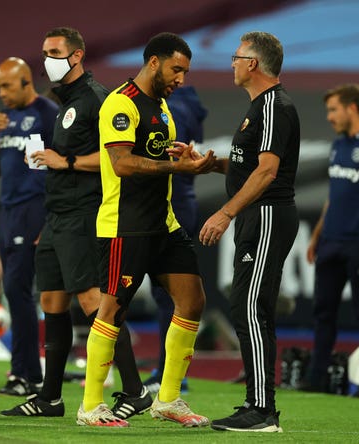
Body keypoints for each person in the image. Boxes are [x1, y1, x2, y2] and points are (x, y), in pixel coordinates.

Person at [0, 27, 146, 419]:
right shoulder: (64, 101)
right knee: (51, 299)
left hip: (84, 212)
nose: (46, 58)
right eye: (44, 51)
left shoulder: (97, 99)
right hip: (57, 214)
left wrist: (62, 161)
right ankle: (50, 398)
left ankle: (134, 389)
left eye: (54, 52)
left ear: (77, 56)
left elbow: (114, 155)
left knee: (94, 301)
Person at [76, 32, 216, 428]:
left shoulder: (162, 107)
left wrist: (181, 155)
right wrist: (179, 168)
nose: (181, 79)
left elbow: (152, 155)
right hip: (126, 225)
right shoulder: (121, 103)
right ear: (153, 62)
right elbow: (121, 163)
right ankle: (90, 406)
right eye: (177, 69)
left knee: (192, 301)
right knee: (113, 309)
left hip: (163, 223)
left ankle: (168, 400)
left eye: (185, 72)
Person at [198, 32, 300, 433]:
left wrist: (224, 213)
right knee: (250, 307)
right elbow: (248, 165)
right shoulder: (259, 107)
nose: (232, 63)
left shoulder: (274, 105)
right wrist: (210, 164)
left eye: (237, 57)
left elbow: (267, 172)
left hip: (267, 215)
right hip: (257, 215)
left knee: (251, 308)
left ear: (254, 64)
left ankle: (262, 410)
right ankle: (258, 404)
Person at [302, 83, 359, 399]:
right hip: (331, 240)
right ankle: (316, 379)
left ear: (352, 107)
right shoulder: (338, 146)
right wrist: (317, 234)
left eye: (333, 109)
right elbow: (334, 195)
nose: (329, 117)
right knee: (323, 311)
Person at [0, 57, 58, 397]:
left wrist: (49, 216)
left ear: (26, 82)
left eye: (7, 86)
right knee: (13, 289)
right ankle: (25, 372)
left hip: (32, 209)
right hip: (8, 210)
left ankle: (27, 374)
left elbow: (54, 168)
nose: (1, 93)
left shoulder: (45, 114)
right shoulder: (5, 119)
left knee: (18, 288)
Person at [143, 85, 208, 395]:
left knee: (170, 294)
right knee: (168, 294)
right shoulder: (188, 107)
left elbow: (162, 153)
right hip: (182, 200)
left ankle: (170, 372)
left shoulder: (172, 110)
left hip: (172, 202)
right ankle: (168, 369)